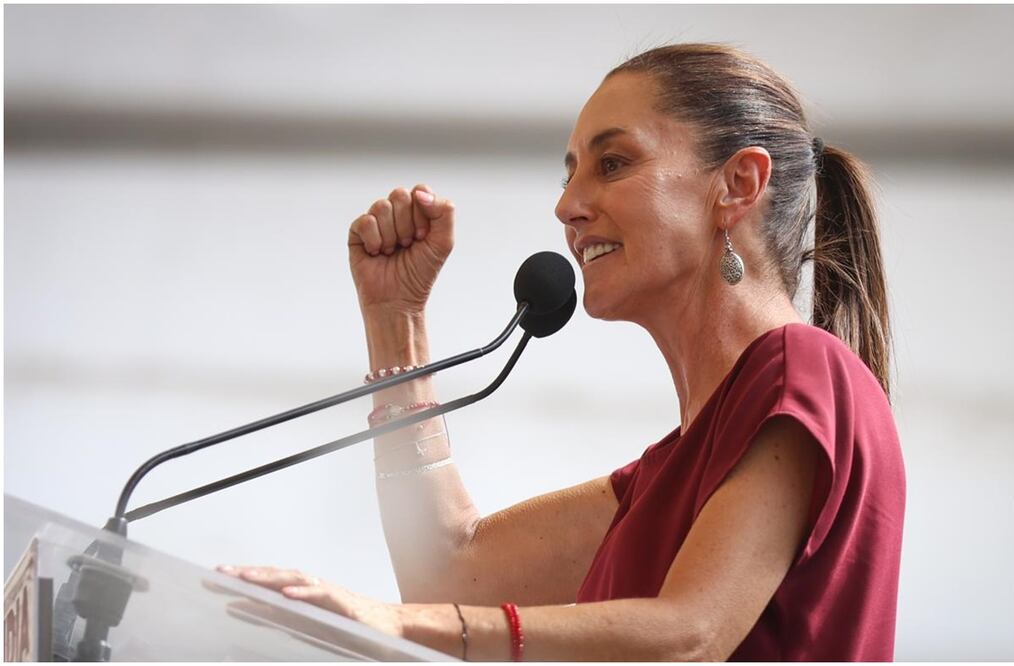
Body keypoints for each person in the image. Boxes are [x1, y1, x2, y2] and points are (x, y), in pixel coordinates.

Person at [219, 42, 906, 661]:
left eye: (612, 163)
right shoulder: (663, 477)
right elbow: (446, 574)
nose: (568, 206)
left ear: (737, 185)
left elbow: (688, 636)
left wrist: (403, 625)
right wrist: (395, 321)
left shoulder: (801, 370)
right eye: (570, 172)